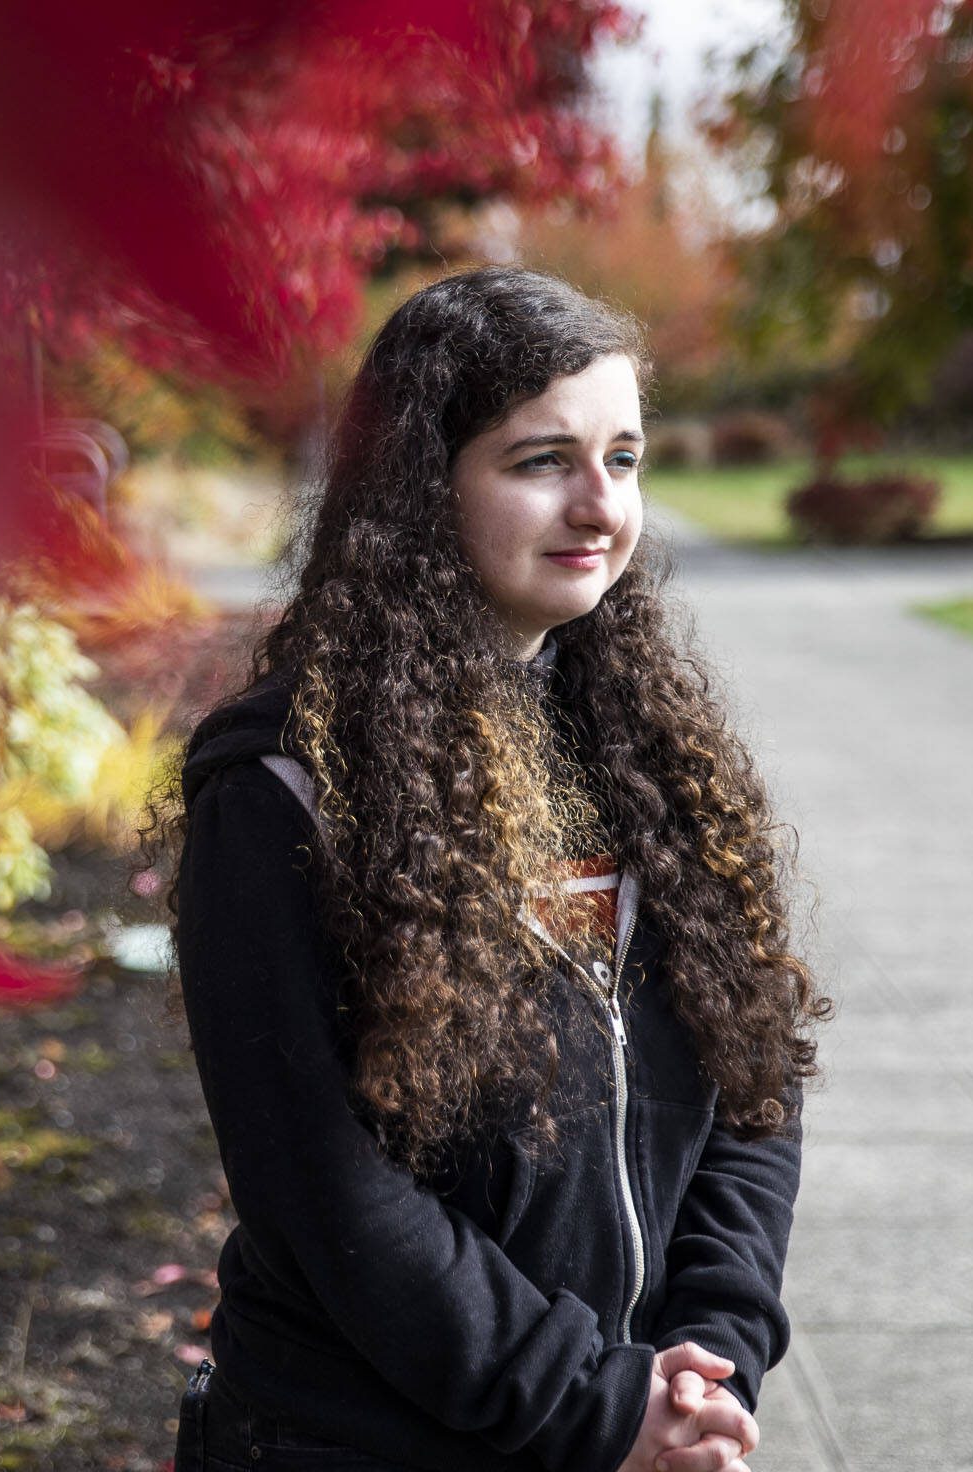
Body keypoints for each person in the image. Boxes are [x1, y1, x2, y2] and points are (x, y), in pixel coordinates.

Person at [155, 266, 829, 1472]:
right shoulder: (281, 787)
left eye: (620, 459)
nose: (597, 506)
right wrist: (597, 1401)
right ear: (419, 488)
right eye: (538, 461)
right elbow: (321, 1188)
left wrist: (705, 1360)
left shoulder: (650, 752)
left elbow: (751, 1078)